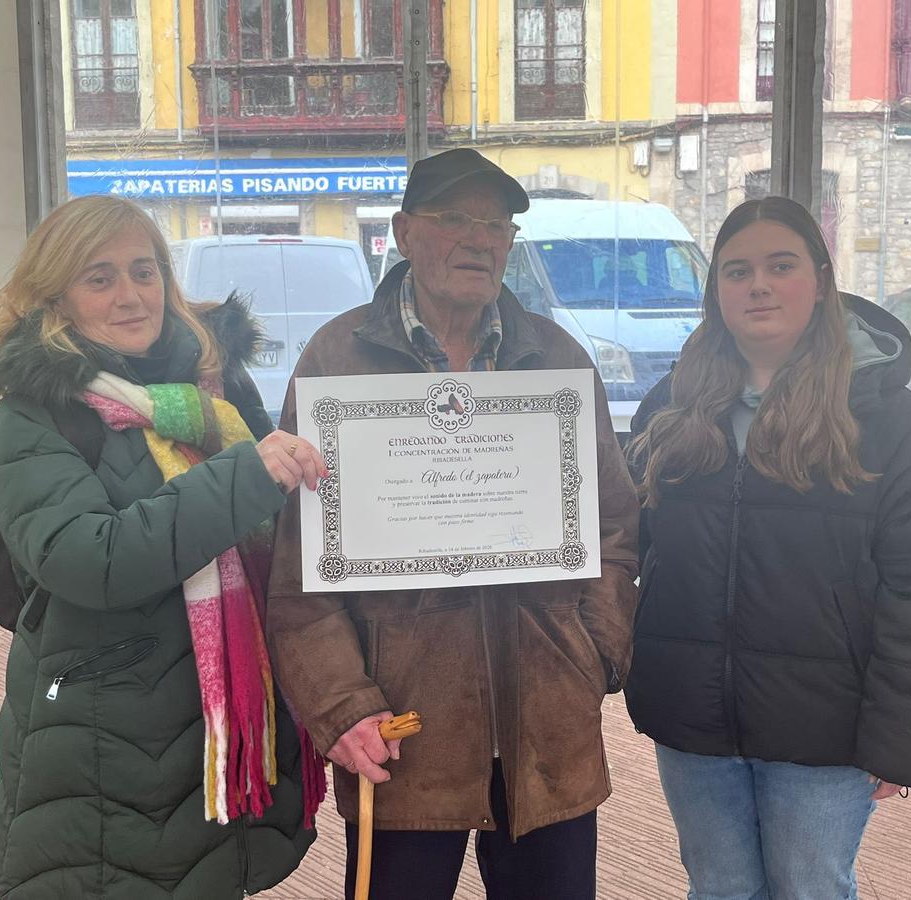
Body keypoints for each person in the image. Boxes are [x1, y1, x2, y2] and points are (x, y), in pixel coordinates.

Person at [265, 148, 640, 900]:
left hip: (548, 736)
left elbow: (614, 526)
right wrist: (341, 706)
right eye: (454, 219)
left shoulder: (557, 358)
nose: (479, 239)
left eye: (496, 224)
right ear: (403, 233)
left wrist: (593, 649)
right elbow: (298, 569)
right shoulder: (337, 359)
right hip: (401, 730)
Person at [626, 196, 911, 900]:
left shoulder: (897, 429)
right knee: (720, 887)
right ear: (716, 294)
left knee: (809, 887)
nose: (757, 284)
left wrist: (904, 734)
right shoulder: (672, 411)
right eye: (736, 272)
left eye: (779, 265)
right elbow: (623, 542)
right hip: (694, 721)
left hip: (826, 727)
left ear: (821, 280)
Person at [0, 195, 328, 899]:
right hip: (105, 752)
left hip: (214, 747)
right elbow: (90, 559)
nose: (130, 295)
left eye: (143, 271)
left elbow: (275, 537)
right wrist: (245, 477)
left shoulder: (215, 395)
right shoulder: (37, 413)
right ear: (57, 300)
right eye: (98, 278)